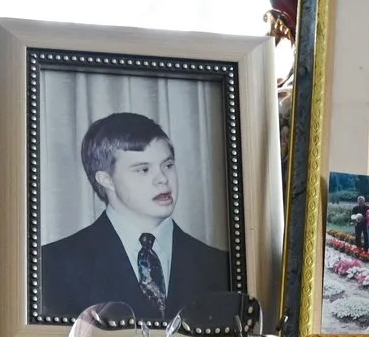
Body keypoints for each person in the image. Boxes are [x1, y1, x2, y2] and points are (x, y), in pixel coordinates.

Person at [39, 112, 231, 323]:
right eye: (143, 169)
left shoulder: (219, 265)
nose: (162, 179)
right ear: (106, 180)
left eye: (168, 165)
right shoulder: (53, 265)